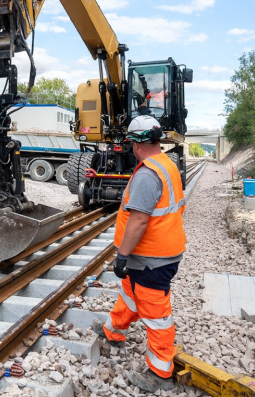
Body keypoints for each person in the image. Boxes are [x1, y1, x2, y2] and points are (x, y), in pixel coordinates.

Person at [93, 115, 186, 392]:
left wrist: (122, 255)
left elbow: (139, 220)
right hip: (154, 254)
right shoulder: (166, 164)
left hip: (152, 258)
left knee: (156, 314)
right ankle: (114, 331)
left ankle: (160, 371)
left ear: (134, 143)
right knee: (130, 293)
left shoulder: (147, 174)